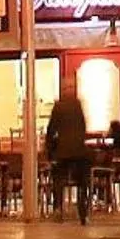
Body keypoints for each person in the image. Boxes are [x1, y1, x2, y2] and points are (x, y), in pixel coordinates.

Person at [44, 89, 91, 225]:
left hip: (62, 152)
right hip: (79, 152)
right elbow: (83, 127)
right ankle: (83, 213)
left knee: (58, 180)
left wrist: (50, 149)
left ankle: (58, 208)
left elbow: (51, 129)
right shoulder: (77, 105)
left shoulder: (59, 106)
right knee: (82, 183)